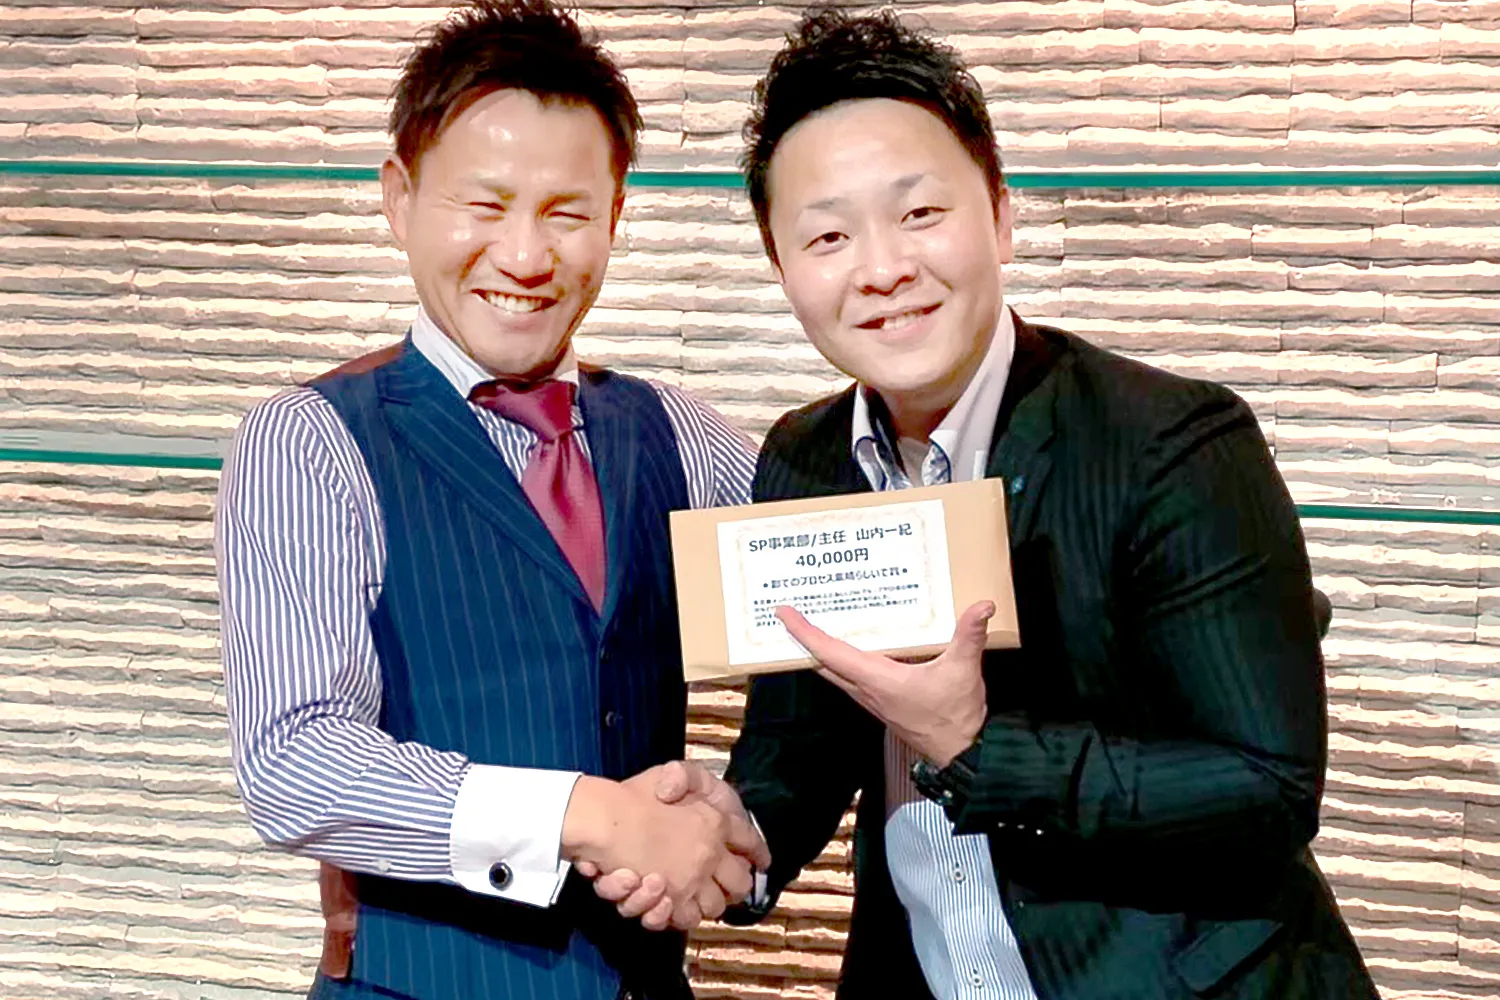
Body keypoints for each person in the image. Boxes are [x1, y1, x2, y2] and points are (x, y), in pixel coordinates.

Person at [592, 8, 1377, 999]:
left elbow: (1268, 788)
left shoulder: (1172, 443)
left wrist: (974, 747)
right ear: (782, 267)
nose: (883, 269)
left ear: (1002, 214)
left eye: (920, 213)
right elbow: (801, 743)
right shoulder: (803, 456)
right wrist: (735, 828)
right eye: (829, 235)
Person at [214, 3, 769, 999]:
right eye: (486, 204)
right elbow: (296, 762)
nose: (524, 256)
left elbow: (843, 603)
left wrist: (742, 825)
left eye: (567, 213)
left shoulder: (681, 432)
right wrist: (588, 815)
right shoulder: (311, 442)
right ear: (400, 198)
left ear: (616, 216)